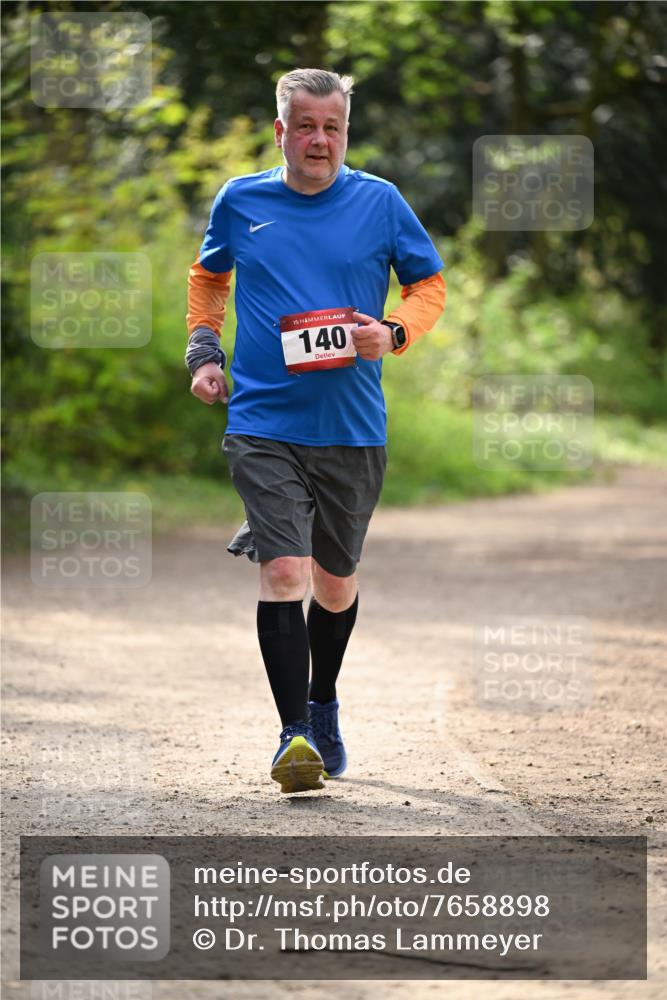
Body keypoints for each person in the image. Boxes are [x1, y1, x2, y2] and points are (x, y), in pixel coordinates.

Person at [186, 68, 445, 794]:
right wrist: (204, 351)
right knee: (283, 572)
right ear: (281, 131)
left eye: (332, 128)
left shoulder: (380, 202)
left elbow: (428, 286)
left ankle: (322, 701)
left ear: (344, 133)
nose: (319, 140)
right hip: (264, 420)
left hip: (352, 426)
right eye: (306, 126)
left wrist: (392, 332)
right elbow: (208, 279)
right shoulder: (242, 200)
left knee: (333, 585)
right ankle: (292, 734)